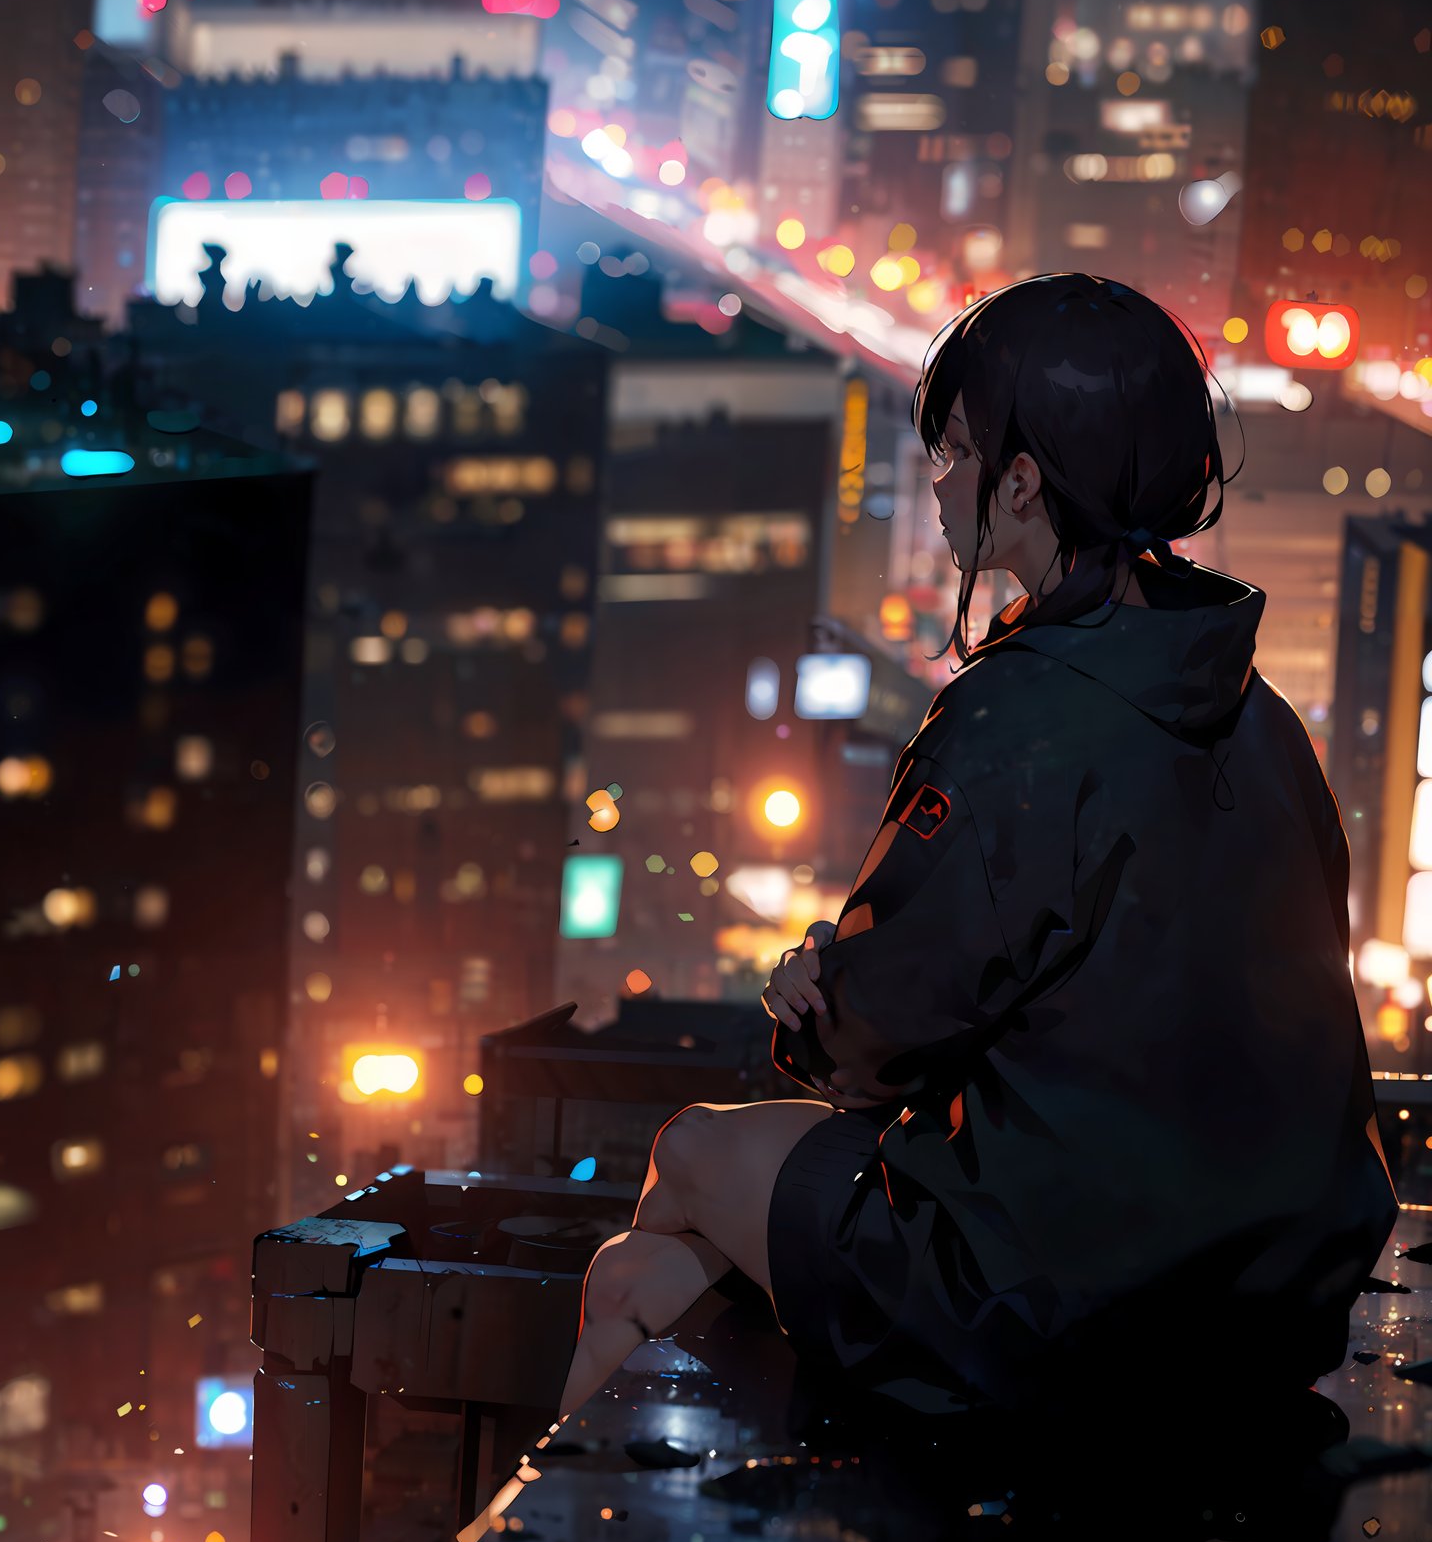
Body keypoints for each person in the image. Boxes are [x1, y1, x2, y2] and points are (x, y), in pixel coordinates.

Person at [560, 273, 1395, 1416]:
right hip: (1274, 1303)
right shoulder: (1261, 719)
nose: (939, 479)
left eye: (955, 451)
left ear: (1020, 483)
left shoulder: (1017, 724)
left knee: (691, 1154)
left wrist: (811, 995)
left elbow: (872, 1044)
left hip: (1068, 1302)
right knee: (641, 1279)